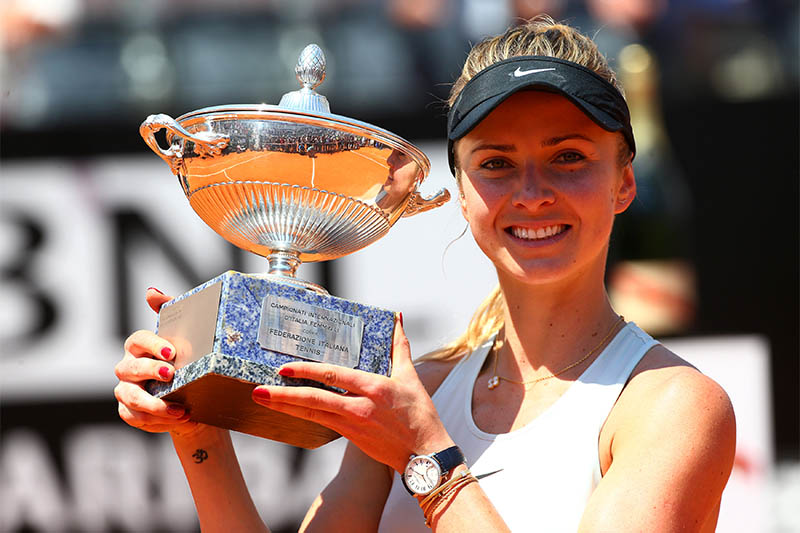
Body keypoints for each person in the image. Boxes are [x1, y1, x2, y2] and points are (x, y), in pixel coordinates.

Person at [114, 16, 735, 532]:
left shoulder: (673, 405)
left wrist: (425, 456)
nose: (533, 192)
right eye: (495, 163)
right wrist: (198, 431)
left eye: (568, 156)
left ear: (623, 182)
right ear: (461, 193)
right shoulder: (418, 392)